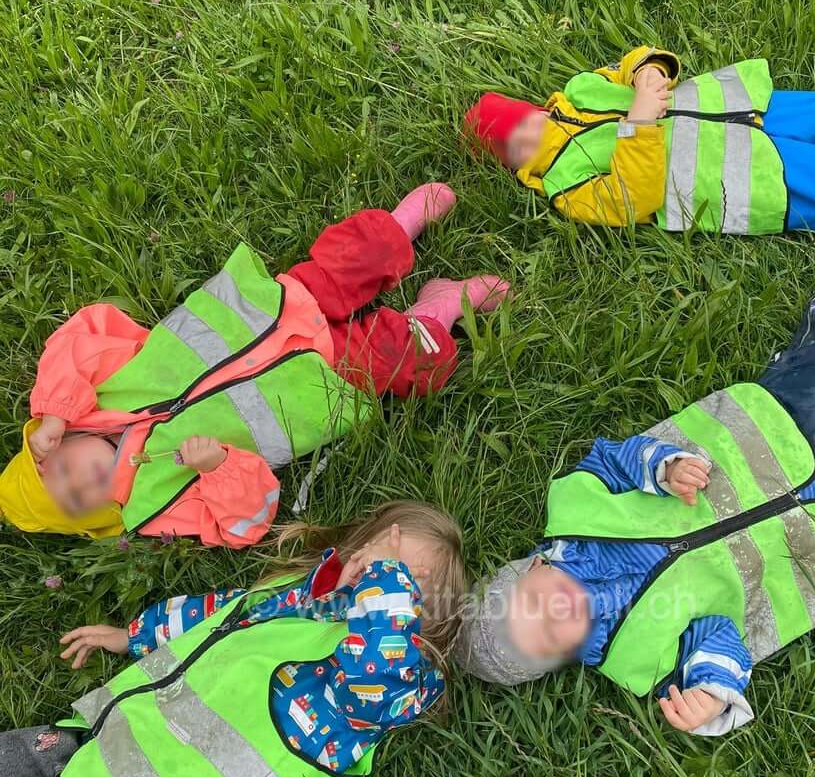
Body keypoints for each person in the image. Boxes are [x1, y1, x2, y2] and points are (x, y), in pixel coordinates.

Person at [456, 257, 815, 735]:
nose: (554, 615)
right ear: (562, 658)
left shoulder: (575, 512)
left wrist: (662, 468)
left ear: (531, 568)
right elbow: (719, 635)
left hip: (767, 433)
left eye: (533, 605)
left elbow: (611, 459)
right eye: (547, 638)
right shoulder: (638, 654)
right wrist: (711, 693)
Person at [0, 503, 466, 777]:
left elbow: (378, 666)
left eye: (407, 579)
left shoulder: (395, 683)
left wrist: (386, 582)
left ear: (426, 624)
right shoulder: (298, 597)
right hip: (117, 743)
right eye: (385, 549)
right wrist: (134, 637)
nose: (382, 571)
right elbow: (215, 614)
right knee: (13, 757)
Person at [0, 184, 510, 546]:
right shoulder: (154, 506)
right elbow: (247, 523)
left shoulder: (95, 394)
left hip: (278, 307)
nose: (79, 484)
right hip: (321, 383)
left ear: (61, 442)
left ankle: (401, 226)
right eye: (73, 502)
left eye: (62, 470)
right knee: (417, 366)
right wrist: (218, 469)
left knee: (353, 256)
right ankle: (437, 308)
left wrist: (56, 410)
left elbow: (84, 331)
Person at [463, 47, 815, 238]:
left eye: (522, 122)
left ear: (533, 108)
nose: (528, 136)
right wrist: (638, 125)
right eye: (514, 144)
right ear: (511, 165)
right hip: (748, 174)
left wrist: (648, 69)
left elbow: (627, 64)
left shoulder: (579, 89)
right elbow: (630, 200)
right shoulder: (564, 185)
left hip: (751, 103)